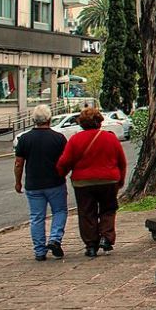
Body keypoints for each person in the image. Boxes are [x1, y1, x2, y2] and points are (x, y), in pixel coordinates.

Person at [56, 107, 127, 258]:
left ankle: (91, 245)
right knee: (108, 209)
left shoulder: (75, 139)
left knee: (87, 212)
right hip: (109, 180)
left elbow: (65, 161)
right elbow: (121, 161)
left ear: (81, 123)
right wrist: (120, 180)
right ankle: (106, 237)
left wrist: (61, 174)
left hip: (83, 182)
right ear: (100, 121)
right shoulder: (110, 138)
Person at [14, 105, 68, 261]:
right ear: (49, 119)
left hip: (33, 184)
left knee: (37, 217)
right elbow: (65, 160)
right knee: (59, 211)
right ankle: (55, 239)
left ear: (33, 120)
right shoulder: (58, 138)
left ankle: (39, 251)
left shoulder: (24, 139)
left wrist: (18, 182)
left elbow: (19, 163)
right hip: (55, 182)